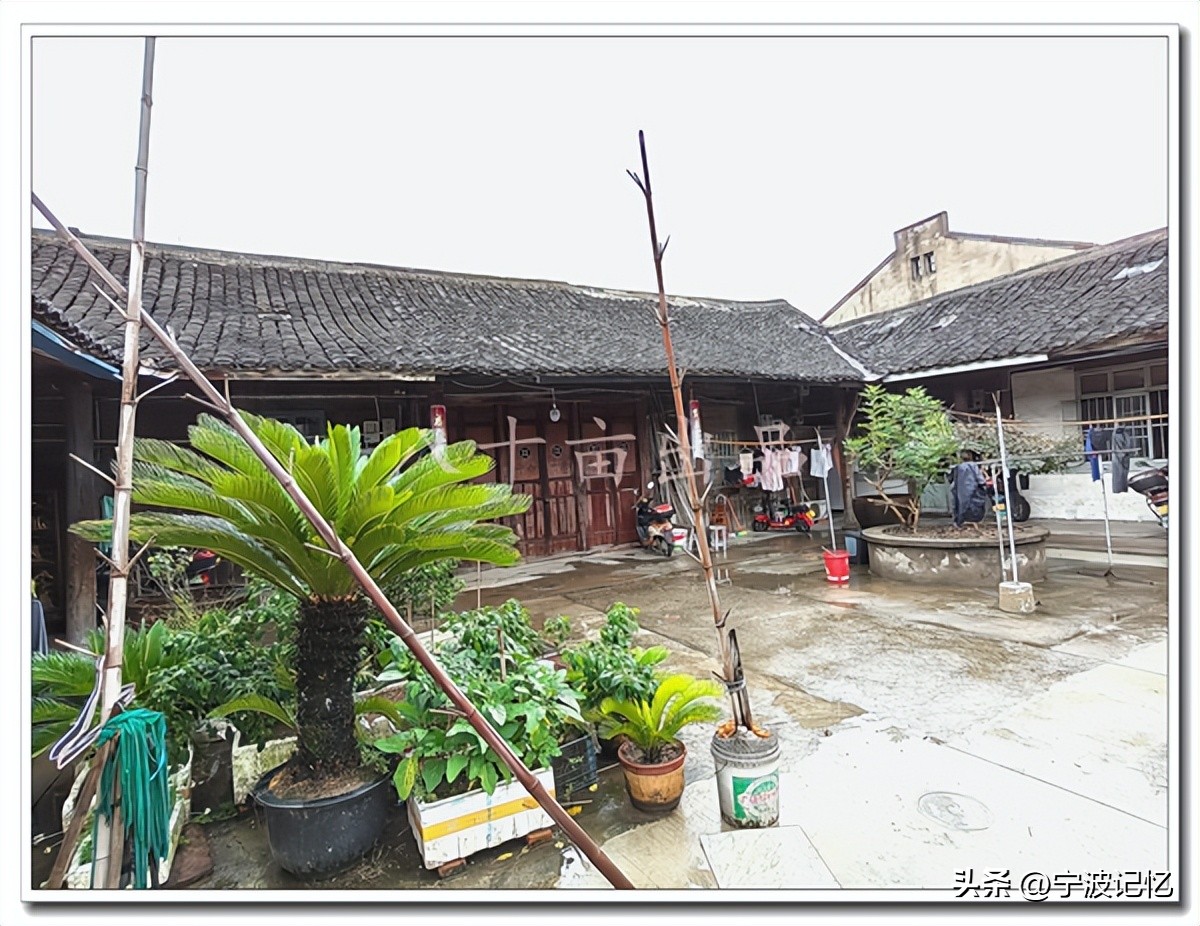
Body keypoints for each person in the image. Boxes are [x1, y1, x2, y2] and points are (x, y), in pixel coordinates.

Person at [950, 449, 988, 529]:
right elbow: (980, 479)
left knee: (961, 506)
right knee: (974, 506)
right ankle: (973, 521)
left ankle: (959, 522)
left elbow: (954, 480)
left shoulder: (958, 467)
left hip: (961, 490)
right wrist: (984, 483)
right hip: (972, 490)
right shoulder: (973, 465)